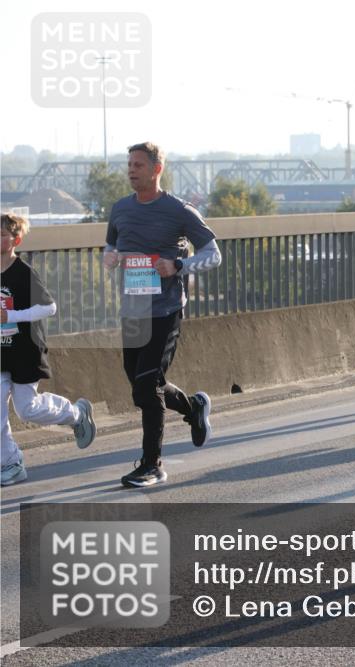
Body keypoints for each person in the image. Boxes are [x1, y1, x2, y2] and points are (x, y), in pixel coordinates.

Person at [104, 142, 221, 487]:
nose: (131, 170)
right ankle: (193, 407)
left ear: (156, 169)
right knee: (143, 384)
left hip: (166, 309)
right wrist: (109, 257)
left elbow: (214, 254)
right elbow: (112, 245)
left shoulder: (179, 211)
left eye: (138, 164)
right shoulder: (120, 209)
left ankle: (151, 463)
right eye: (129, 164)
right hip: (132, 310)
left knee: (145, 386)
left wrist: (179, 265)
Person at [1, 213, 95, 486]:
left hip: (25, 351)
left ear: (15, 240)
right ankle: (11, 463)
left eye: (2, 234)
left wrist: (12, 316)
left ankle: (76, 414)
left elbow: (49, 307)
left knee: (26, 409)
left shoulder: (23, 271)